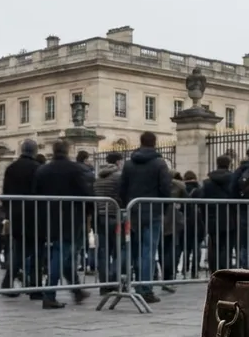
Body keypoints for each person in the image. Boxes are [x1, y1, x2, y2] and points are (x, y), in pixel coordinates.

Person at [33, 140, 93, 309]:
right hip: (70, 216)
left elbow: (35, 192)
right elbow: (85, 192)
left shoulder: (43, 169)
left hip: (48, 216)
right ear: (67, 151)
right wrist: (89, 212)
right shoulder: (75, 169)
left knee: (63, 254)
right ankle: (50, 294)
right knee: (61, 254)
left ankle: (76, 290)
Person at [117, 131, 172, 304]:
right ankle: (145, 288)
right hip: (152, 211)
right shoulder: (159, 163)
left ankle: (133, 283)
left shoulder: (128, 164)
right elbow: (165, 188)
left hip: (133, 211)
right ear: (154, 143)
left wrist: (127, 205)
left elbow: (122, 189)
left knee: (134, 250)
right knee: (148, 251)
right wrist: (164, 207)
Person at [0, 139, 42, 297]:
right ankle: (35, 287)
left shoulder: (11, 168)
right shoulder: (37, 168)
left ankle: (7, 282)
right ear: (35, 151)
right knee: (37, 251)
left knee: (19, 249)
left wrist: (8, 211)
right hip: (34, 213)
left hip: (16, 213)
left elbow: (5, 192)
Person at [197, 155, 237, 272]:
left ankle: (214, 270)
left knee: (214, 246)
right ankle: (225, 271)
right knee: (227, 247)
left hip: (212, 218)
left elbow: (201, 201)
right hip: (230, 218)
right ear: (229, 164)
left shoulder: (207, 182)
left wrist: (205, 216)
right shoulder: (233, 180)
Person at [91, 152, 123, 294]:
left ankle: (104, 284)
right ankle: (114, 280)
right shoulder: (118, 177)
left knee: (103, 252)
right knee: (118, 251)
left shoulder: (98, 178)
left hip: (100, 217)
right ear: (118, 162)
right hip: (114, 216)